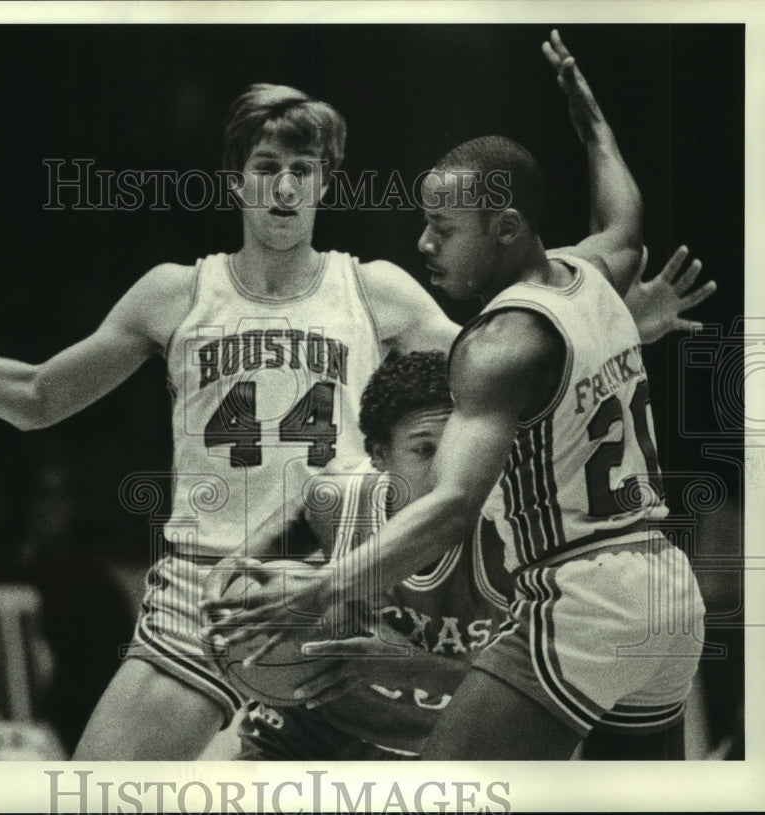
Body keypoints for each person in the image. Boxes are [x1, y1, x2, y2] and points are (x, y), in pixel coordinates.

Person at [0, 56, 710, 759]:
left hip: (342, 595)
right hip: (206, 591)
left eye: (303, 168)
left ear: (326, 181)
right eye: (267, 166)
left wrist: (625, 322)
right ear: (236, 176)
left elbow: (513, 366)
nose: (284, 186)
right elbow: (39, 397)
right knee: (96, 794)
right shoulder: (174, 293)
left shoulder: (379, 291)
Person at [209, 31, 710, 760]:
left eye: (444, 228)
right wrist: (593, 123)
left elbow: (449, 507)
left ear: (505, 229)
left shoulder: (496, 342)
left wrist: (318, 593)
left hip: (585, 597)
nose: (423, 243)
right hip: (668, 592)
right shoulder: (594, 270)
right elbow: (624, 214)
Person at [211, 349, 511, 760]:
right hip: (310, 731)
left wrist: (409, 664)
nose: (448, 470)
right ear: (379, 454)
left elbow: (534, 697)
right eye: (425, 450)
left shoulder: (516, 536)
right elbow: (240, 567)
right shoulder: (341, 499)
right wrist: (228, 596)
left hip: (427, 750)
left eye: (462, 449)